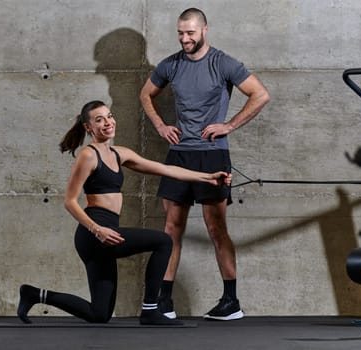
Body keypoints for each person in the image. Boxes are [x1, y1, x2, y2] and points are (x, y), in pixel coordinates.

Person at [17, 100, 232, 325]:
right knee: (163, 241)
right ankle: (150, 310)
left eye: (109, 116)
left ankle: (35, 294)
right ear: (88, 127)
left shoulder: (120, 154)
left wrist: (207, 177)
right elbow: (70, 201)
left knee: (99, 314)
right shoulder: (88, 156)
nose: (108, 122)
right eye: (99, 120)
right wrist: (97, 229)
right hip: (94, 233)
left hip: (106, 233)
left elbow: (166, 169)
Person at [139, 8, 270, 321]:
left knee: (216, 228)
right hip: (180, 155)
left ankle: (230, 302)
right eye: (181, 33)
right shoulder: (171, 64)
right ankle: (165, 302)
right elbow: (146, 94)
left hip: (212, 154)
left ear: (204, 30)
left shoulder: (223, 62)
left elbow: (260, 94)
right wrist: (160, 125)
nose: (185, 39)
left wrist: (229, 125)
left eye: (191, 33)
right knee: (171, 227)